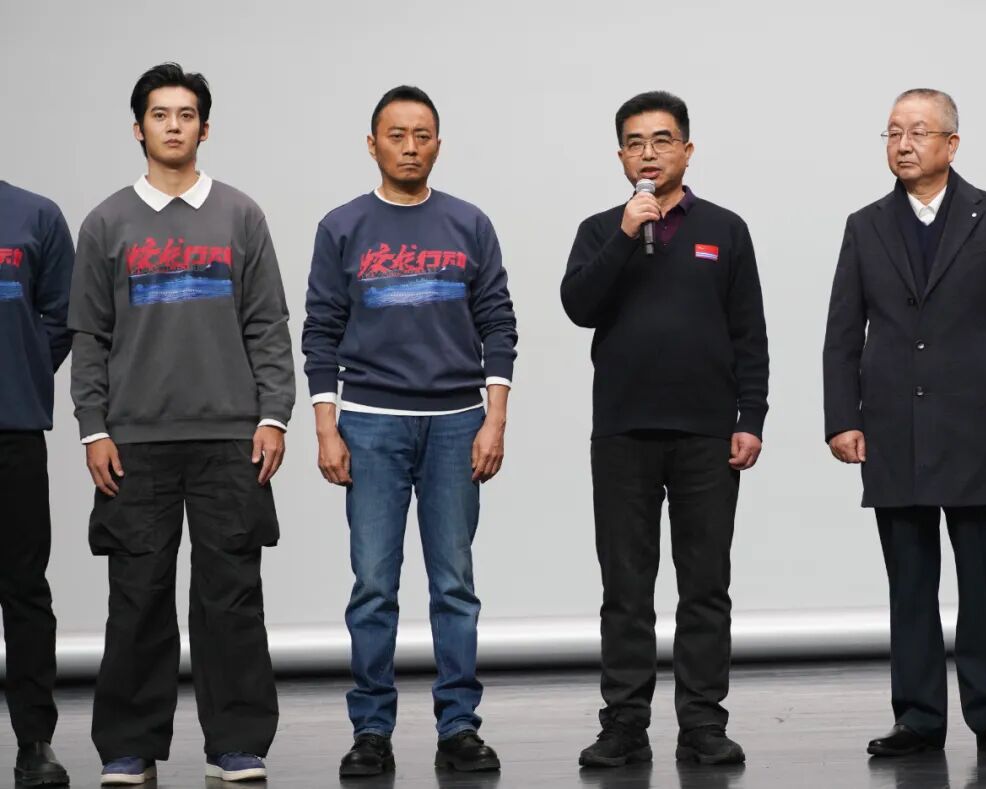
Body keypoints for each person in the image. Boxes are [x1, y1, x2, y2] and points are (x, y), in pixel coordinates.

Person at [68, 62, 295, 784]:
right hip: (134, 441)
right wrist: (93, 428)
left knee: (231, 597)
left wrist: (273, 416)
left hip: (232, 437)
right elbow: (89, 335)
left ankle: (237, 742)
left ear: (205, 127)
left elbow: (267, 324)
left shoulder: (240, 215)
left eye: (186, 114)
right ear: (138, 128)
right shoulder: (106, 222)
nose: (174, 125)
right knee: (136, 597)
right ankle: (129, 745)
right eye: (160, 114)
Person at [822, 88, 986, 757]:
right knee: (910, 583)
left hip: (979, 427)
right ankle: (918, 716)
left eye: (918, 131)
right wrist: (842, 417)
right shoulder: (865, 225)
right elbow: (842, 334)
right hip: (893, 427)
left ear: (952, 144)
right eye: (893, 132)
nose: (903, 144)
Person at [302, 85, 516, 777]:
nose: (410, 146)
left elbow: (498, 323)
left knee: (454, 584)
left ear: (438, 145)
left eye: (422, 135)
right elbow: (320, 330)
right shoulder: (342, 226)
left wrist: (494, 418)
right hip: (370, 424)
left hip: (457, 424)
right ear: (373, 144)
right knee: (373, 584)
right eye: (396, 134)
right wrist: (327, 426)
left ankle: (459, 726)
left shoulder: (469, 223)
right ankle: (371, 730)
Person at [561, 90, 769, 768]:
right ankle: (624, 724)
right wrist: (625, 234)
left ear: (687, 149)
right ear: (621, 156)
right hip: (623, 431)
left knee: (705, 585)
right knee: (625, 588)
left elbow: (749, 334)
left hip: (707, 433)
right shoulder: (601, 229)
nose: (648, 153)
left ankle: (703, 722)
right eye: (634, 143)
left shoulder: (726, 229)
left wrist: (750, 418)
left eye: (661, 140)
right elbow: (579, 305)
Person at [0, 180, 74, 786]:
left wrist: (21, 368)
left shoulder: (36, 215)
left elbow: (63, 314)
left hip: (13, 429)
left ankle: (34, 742)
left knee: (24, 589)